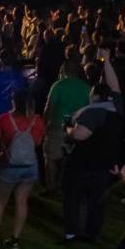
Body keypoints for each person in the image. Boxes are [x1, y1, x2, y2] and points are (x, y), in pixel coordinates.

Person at [63, 80, 122, 244]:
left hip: (83, 163)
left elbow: (78, 135)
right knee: (97, 202)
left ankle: (71, 233)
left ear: (95, 95)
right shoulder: (116, 111)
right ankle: (93, 233)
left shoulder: (92, 113)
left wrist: (67, 124)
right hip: (104, 165)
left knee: (72, 197)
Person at [0, 89, 44, 249]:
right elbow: (37, 143)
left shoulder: (4, 119)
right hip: (30, 166)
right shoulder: (38, 120)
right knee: (22, 201)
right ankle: (15, 239)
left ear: (14, 102)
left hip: (9, 166)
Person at [42, 60, 90, 193]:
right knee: (71, 160)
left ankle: (51, 186)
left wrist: (45, 123)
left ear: (64, 69)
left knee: (51, 158)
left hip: (58, 125)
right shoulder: (85, 87)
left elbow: (49, 107)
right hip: (77, 128)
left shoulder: (58, 86)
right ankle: (69, 186)